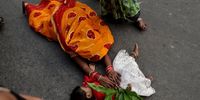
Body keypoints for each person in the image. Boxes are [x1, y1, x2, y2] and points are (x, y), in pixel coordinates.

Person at [23, 0, 120, 88]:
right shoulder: (72, 44)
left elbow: (103, 50)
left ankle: (42, 5)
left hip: (77, 17)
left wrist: (110, 69)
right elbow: (83, 65)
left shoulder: (97, 39)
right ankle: (28, 6)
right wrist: (98, 77)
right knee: (44, 22)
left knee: (55, 7)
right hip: (64, 21)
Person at [70, 44, 146, 100]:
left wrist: (92, 70)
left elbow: (89, 78)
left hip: (112, 76)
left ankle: (133, 55)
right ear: (88, 95)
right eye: (84, 88)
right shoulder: (100, 96)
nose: (85, 86)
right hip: (119, 84)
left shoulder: (88, 85)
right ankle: (145, 81)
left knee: (120, 67)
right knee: (130, 79)